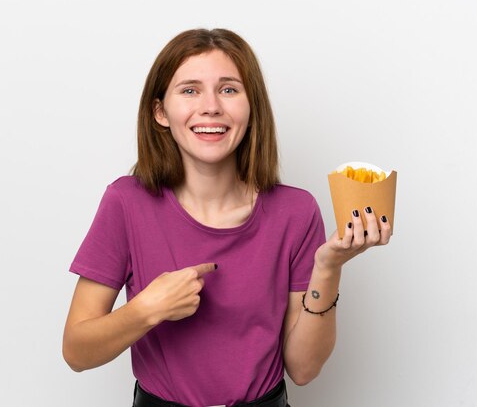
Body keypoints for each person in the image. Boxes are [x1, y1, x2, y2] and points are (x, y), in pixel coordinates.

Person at [62, 28, 391, 407]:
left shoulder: (296, 212)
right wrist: (146, 309)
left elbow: (303, 369)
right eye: (189, 90)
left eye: (229, 89)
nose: (211, 106)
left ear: (252, 110)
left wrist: (328, 267)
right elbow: (76, 352)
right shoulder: (126, 202)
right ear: (160, 112)